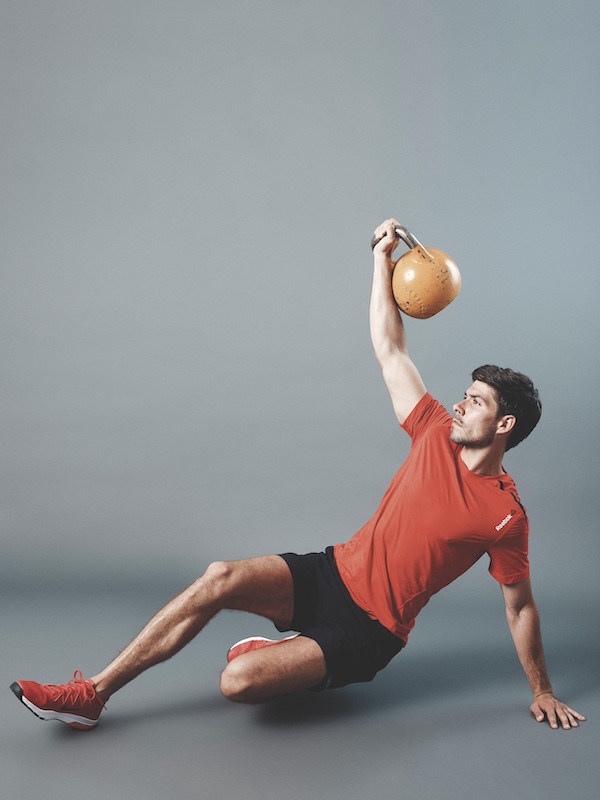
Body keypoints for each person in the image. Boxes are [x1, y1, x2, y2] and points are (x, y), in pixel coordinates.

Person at [10, 218, 585, 733]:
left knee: (238, 683)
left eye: (476, 402)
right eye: (464, 395)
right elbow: (389, 349)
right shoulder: (434, 429)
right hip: (332, 571)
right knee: (219, 577)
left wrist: (543, 691)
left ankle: (274, 654)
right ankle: (91, 694)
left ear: (504, 423)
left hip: (370, 632)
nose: (460, 405)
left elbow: (521, 606)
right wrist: (380, 262)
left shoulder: (505, 515)